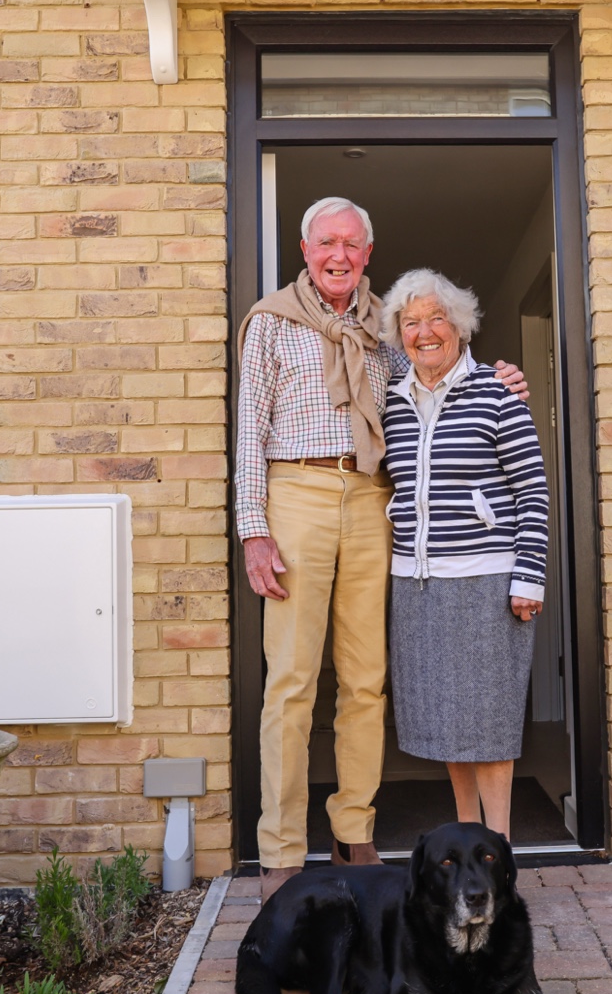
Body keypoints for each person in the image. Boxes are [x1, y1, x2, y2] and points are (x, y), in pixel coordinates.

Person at [235, 199, 523, 898]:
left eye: (351, 244)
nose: (339, 255)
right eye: (326, 243)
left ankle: (353, 833)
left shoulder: (385, 333)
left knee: (366, 679)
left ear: (368, 253)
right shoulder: (272, 322)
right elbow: (250, 427)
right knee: (292, 681)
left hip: (370, 497)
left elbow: (434, 380)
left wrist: (496, 379)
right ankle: (279, 849)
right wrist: (253, 528)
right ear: (305, 250)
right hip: (295, 493)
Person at [378, 269, 549, 839]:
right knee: (449, 723)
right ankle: (468, 839)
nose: (425, 332)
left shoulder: (497, 391)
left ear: (461, 326)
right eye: (411, 322)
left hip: (486, 583)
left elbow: (532, 489)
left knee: (490, 723)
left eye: (437, 319)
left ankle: (498, 849)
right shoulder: (392, 399)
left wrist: (529, 577)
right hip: (417, 583)